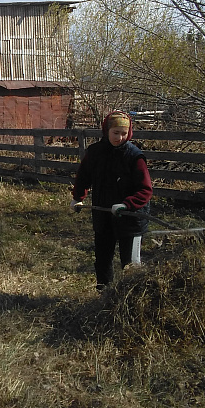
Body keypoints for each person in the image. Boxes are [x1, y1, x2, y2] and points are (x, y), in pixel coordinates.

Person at [71, 110, 152, 291]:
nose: (119, 137)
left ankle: (130, 298)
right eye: (115, 132)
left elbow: (145, 190)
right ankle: (104, 294)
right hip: (103, 215)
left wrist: (127, 204)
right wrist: (77, 197)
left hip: (131, 218)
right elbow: (84, 176)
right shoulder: (95, 152)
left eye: (124, 133)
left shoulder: (134, 157)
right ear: (106, 130)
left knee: (130, 264)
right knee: (103, 259)